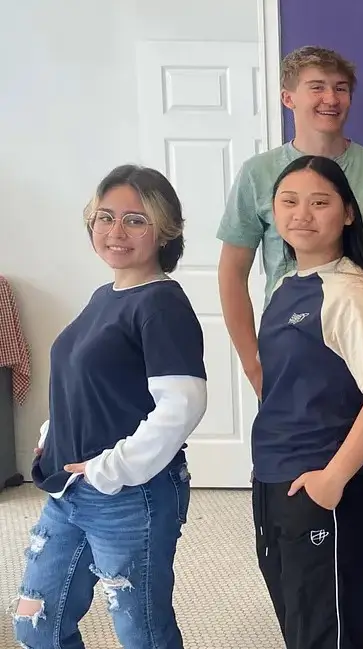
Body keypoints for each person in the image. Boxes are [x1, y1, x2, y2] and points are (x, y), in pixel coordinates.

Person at [13, 165, 207, 649]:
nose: (115, 232)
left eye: (135, 220)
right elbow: (86, 380)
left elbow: (183, 404)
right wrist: (50, 433)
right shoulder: (107, 295)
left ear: (165, 230)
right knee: (37, 624)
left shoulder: (160, 305)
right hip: (69, 487)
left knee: (142, 632)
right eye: (105, 217)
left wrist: (111, 467)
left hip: (127, 495)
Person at [250, 155, 363, 649]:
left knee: (327, 630)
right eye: (289, 202)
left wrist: (333, 479)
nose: (303, 214)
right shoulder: (284, 285)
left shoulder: (352, 296)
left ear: (347, 214)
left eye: (320, 203)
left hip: (324, 483)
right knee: (300, 620)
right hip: (276, 475)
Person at [217, 45, 363, 398]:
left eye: (340, 88)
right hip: (285, 345)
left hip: (361, 346)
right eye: (316, 87)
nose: (330, 98)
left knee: (361, 448)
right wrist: (253, 363)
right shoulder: (258, 174)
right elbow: (231, 272)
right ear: (288, 97)